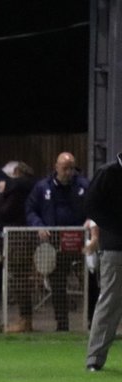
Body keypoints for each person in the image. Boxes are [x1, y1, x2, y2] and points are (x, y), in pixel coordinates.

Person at [25, 152, 89, 332]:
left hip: (81, 243)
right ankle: (62, 325)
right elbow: (30, 210)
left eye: (71, 168)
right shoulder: (41, 187)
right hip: (54, 244)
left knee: (90, 282)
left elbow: (96, 207)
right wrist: (38, 226)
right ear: (56, 167)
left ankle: (93, 323)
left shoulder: (84, 185)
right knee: (58, 286)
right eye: (65, 168)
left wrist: (89, 220)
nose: (68, 172)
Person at [85, 157, 122, 370]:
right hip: (116, 247)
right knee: (109, 303)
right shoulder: (108, 173)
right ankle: (95, 359)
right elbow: (91, 205)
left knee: (108, 303)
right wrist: (115, 228)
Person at [0, 162, 38, 332]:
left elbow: (6, 211)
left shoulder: (20, 188)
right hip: (21, 237)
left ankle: (25, 319)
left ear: (16, 172)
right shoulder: (28, 187)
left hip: (19, 238)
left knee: (19, 277)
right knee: (19, 277)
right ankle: (24, 318)